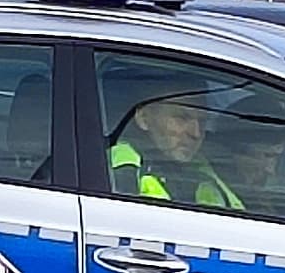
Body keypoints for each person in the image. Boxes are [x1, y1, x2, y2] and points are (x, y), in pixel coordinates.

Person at [104, 90, 242, 212]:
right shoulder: (119, 170)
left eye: (202, 121)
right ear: (144, 118)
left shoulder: (207, 170)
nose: (196, 133)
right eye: (181, 118)